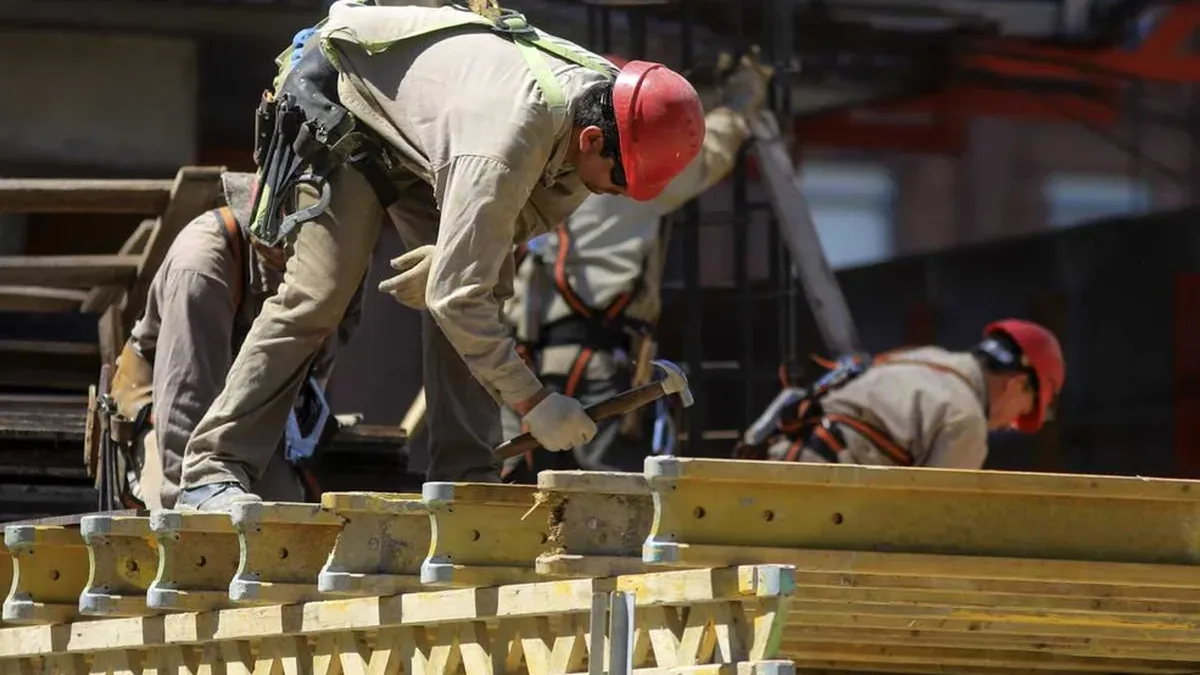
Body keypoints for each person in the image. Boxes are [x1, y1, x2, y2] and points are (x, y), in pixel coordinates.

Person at [175, 0, 706, 511]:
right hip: (342, 105)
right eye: (619, 180)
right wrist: (534, 402)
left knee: (483, 281)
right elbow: (458, 298)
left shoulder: (607, 109)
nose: (618, 193)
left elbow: (522, 220)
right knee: (319, 295)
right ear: (590, 141)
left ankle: (466, 479)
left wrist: (459, 254)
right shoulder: (507, 140)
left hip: (430, 137)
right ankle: (212, 469)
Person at [477, 53, 772, 483]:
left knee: (514, 484)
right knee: (612, 489)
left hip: (529, 362)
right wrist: (741, 100)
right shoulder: (631, 174)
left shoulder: (548, 163)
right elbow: (707, 154)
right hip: (600, 360)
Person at [104, 171, 363, 510]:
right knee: (184, 517)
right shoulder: (201, 266)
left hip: (252, 412)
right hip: (166, 415)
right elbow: (185, 402)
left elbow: (324, 352)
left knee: (286, 519)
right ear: (271, 243)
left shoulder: (342, 260)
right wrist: (190, 510)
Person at [735, 319, 1065, 469]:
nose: (1009, 425)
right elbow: (933, 523)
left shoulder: (920, 357)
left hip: (773, 465)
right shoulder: (965, 420)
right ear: (1017, 385)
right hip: (815, 499)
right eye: (1024, 412)